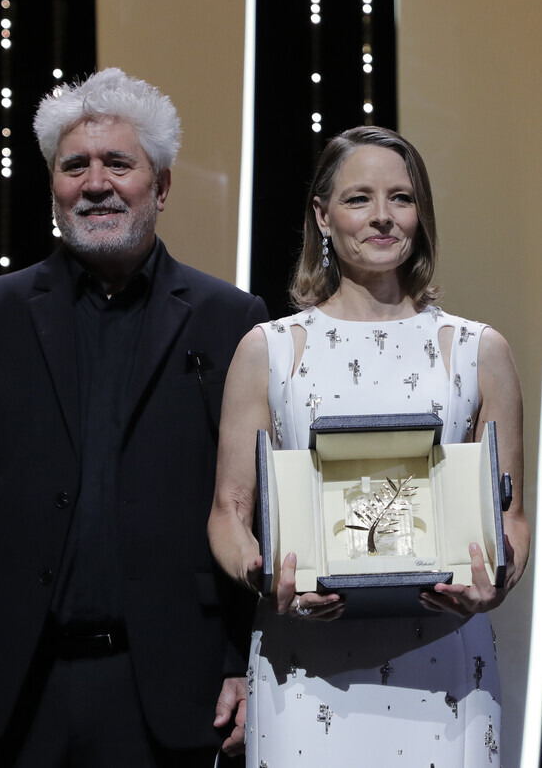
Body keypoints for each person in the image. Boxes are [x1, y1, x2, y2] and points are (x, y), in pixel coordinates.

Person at [0, 68, 268, 766]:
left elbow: (258, 508)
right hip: (3, 685)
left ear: (160, 186)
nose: (95, 182)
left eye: (117, 164)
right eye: (75, 166)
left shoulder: (232, 321)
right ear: (54, 188)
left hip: (169, 689)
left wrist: (247, 657)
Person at [208, 125, 529, 766]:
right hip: (305, 664)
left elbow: (512, 519)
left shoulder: (479, 350)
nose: (383, 217)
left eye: (401, 198)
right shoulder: (268, 350)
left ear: (422, 214)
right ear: (321, 216)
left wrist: (494, 584)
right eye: (359, 199)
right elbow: (228, 512)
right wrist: (268, 578)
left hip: (444, 658)